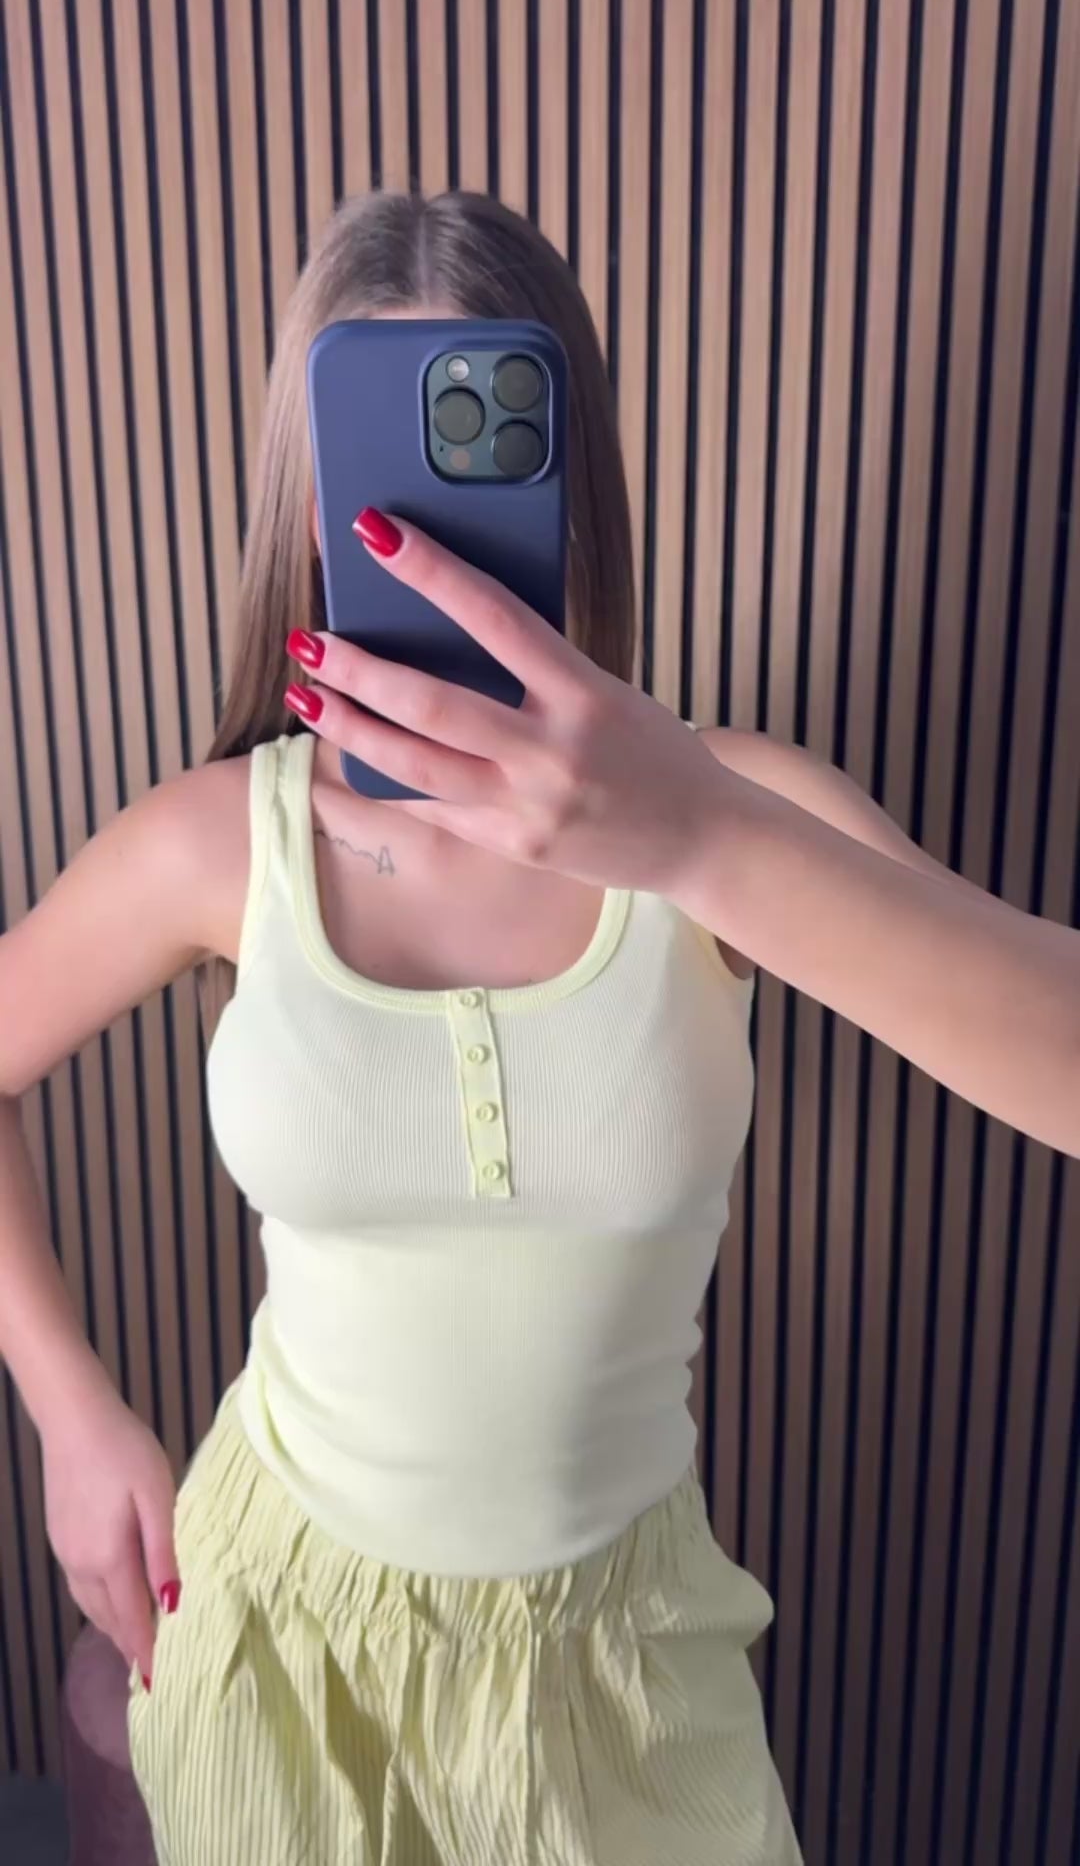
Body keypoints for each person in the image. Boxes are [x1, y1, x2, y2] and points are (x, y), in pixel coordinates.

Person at [0, 192, 1073, 1866]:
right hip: (282, 1647)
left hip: (625, 1671)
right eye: (383, 476)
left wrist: (700, 837)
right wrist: (69, 1409)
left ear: (574, 486)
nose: (426, 536)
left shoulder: (735, 809)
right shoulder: (220, 845)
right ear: (313, 498)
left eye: (490, 451)